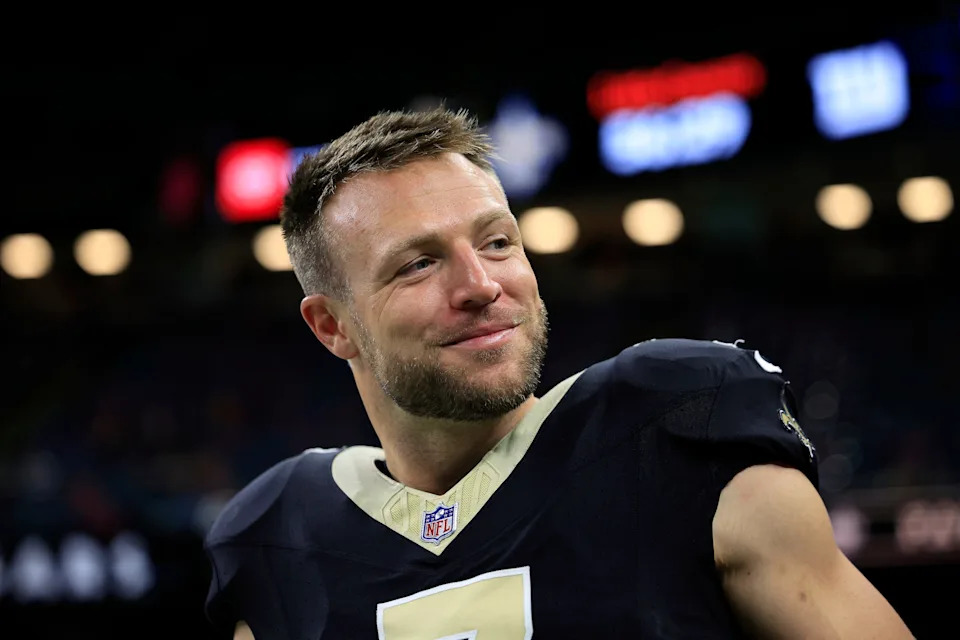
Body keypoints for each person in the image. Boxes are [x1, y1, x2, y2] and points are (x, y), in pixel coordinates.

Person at [203, 107, 913, 639]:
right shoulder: (277, 545)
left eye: (497, 241)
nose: (481, 283)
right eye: (419, 263)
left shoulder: (679, 427)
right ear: (332, 326)